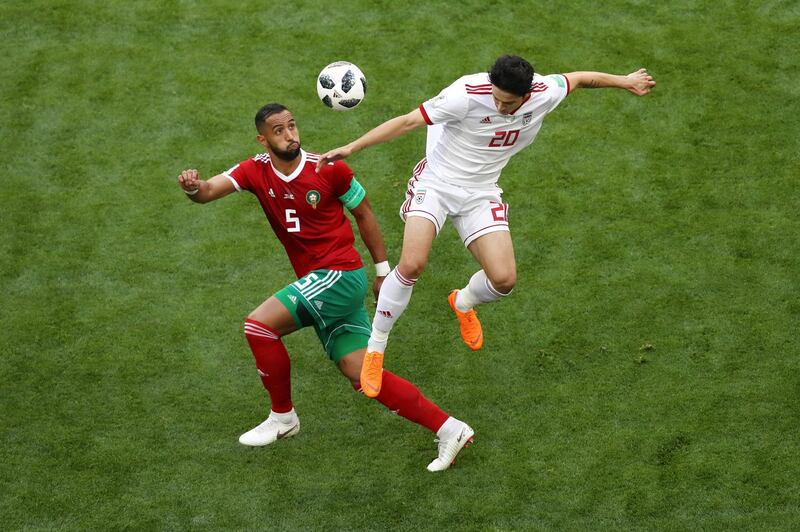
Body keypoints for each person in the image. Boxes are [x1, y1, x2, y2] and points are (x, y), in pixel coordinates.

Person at [317, 55, 656, 395]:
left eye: (507, 103)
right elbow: (407, 122)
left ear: (527, 95)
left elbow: (581, 78)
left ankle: (462, 302)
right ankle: (376, 348)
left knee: (504, 280)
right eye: (495, 97)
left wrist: (625, 80)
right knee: (412, 263)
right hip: (436, 185)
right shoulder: (464, 94)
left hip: (481, 193)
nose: (498, 105)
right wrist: (352, 146)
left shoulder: (545, 92)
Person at [177, 103, 473, 472]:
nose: (290, 135)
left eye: (292, 126)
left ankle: (283, 418)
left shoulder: (329, 169)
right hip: (319, 286)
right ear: (263, 138)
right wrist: (192, 187)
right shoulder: (254, 170)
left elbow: (363, 213)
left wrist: (383, 271)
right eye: (279, 130)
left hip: (339, 276)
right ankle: (450, 428)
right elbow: (207, 192)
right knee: (363, 375)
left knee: (259, 326)